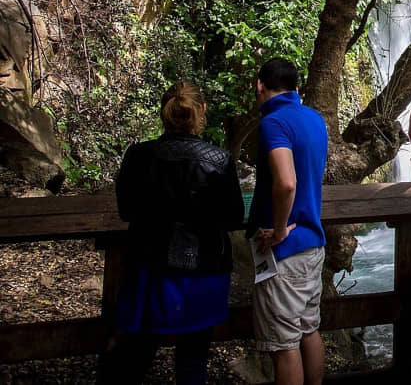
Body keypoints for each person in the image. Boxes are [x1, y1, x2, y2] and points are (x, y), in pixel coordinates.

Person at [99, 81, 245, 385]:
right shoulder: (219, 161)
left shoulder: (139, 155)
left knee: (137, 353)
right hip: (204, 270)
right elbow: (232, 217)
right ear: (202, 111)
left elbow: (127, 210)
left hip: (150, 268)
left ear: (163, 113)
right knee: (193, 360)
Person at [247, 57, 329, 385]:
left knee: (284, 346)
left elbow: (286, 182)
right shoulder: (314, 119)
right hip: (313, 244)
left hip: (285, 253)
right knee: (309, 331)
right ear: (297, 87)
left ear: (260, 86)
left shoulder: (274, 123)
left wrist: (279, 230)